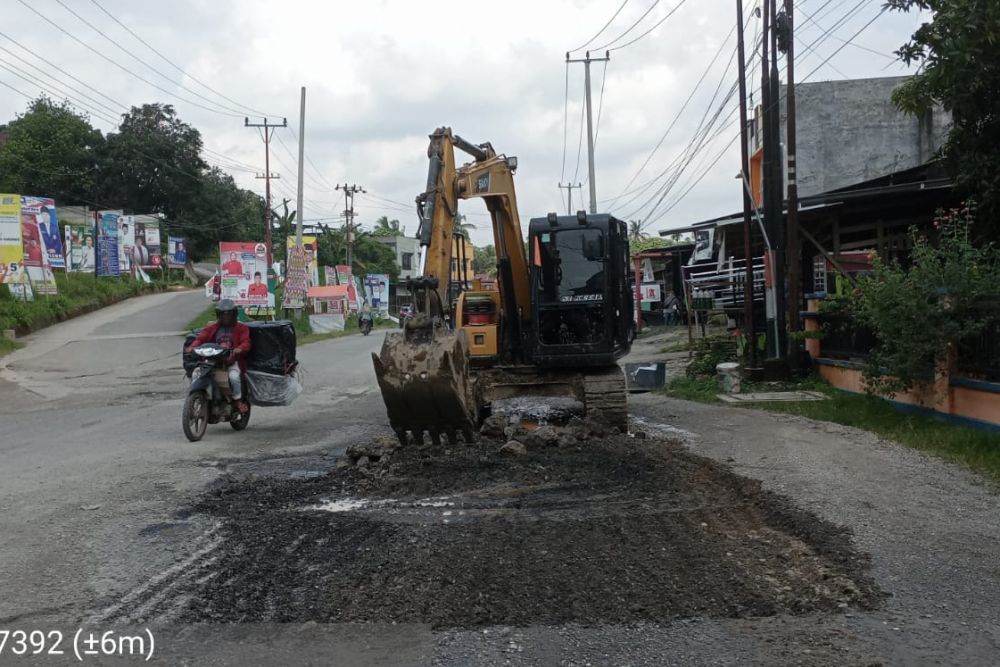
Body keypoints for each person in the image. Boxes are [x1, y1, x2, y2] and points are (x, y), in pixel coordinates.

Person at [185, 299, 252, 413]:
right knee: (196, 373)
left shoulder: (241, 328)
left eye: (228, 315)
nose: (226, 317)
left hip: (231, 361)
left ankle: (238, 400)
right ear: (218, 315)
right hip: (212, 361)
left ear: (234, 314)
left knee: (234, 377)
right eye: (223, 315)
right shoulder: (212, 327)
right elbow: (201, 338)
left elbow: (246, 342)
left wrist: (239, 349)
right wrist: (193, 346)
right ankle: (196, 398)